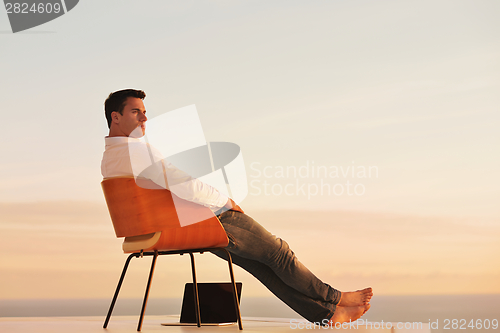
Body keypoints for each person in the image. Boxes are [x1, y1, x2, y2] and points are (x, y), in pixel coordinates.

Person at [101, 89, 372, 326]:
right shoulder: (137, 151)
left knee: (261, 265)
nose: (145, 118)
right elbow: (184, 184)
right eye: (136, 112)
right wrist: (226, 202)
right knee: (279, 253)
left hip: (164, 228)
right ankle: (334, 297)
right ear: (116, 117)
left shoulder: (109, 159)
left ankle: (326, 315)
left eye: (145, 112)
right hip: (200, 222)